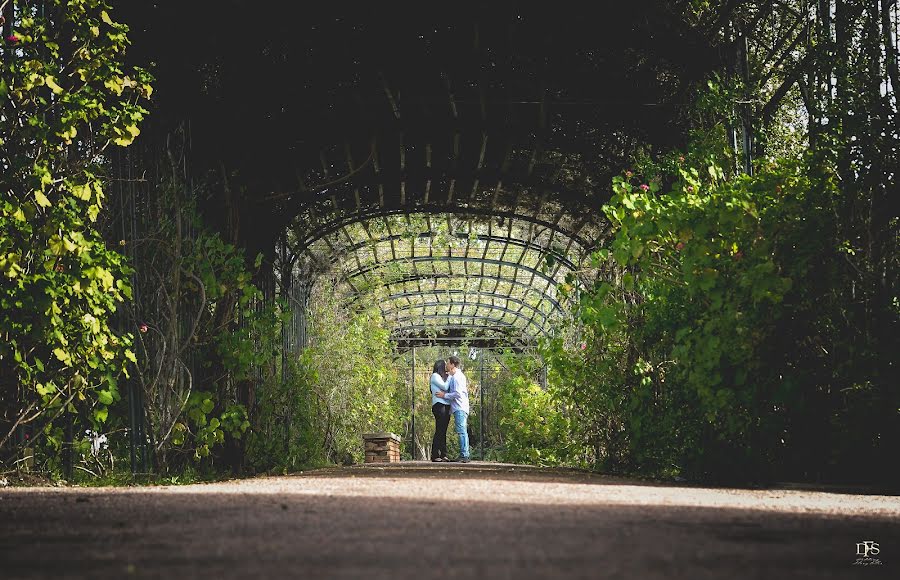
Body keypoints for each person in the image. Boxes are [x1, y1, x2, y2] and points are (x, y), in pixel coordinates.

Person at [436, 355, 470, 463]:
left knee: (461, 431)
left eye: (447, 363)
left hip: (460, 407)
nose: (446, 365)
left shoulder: (457, 377)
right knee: (461, 431)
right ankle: (464, 454)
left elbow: (458, 394)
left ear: (452, 364)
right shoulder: (455, 376)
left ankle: (464, 455)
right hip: (458, 407)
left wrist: (444, 395)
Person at [429, 359, 451, 462]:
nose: (447, 367)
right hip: (439, 405)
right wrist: (450, 375)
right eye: (445, 365)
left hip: (446, 405)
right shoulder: (435, 376)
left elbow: (448, 390)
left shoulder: (444, 377)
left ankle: (443, 454)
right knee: (439, 430)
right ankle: (434, 455)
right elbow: (445, 387)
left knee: (443, 431)